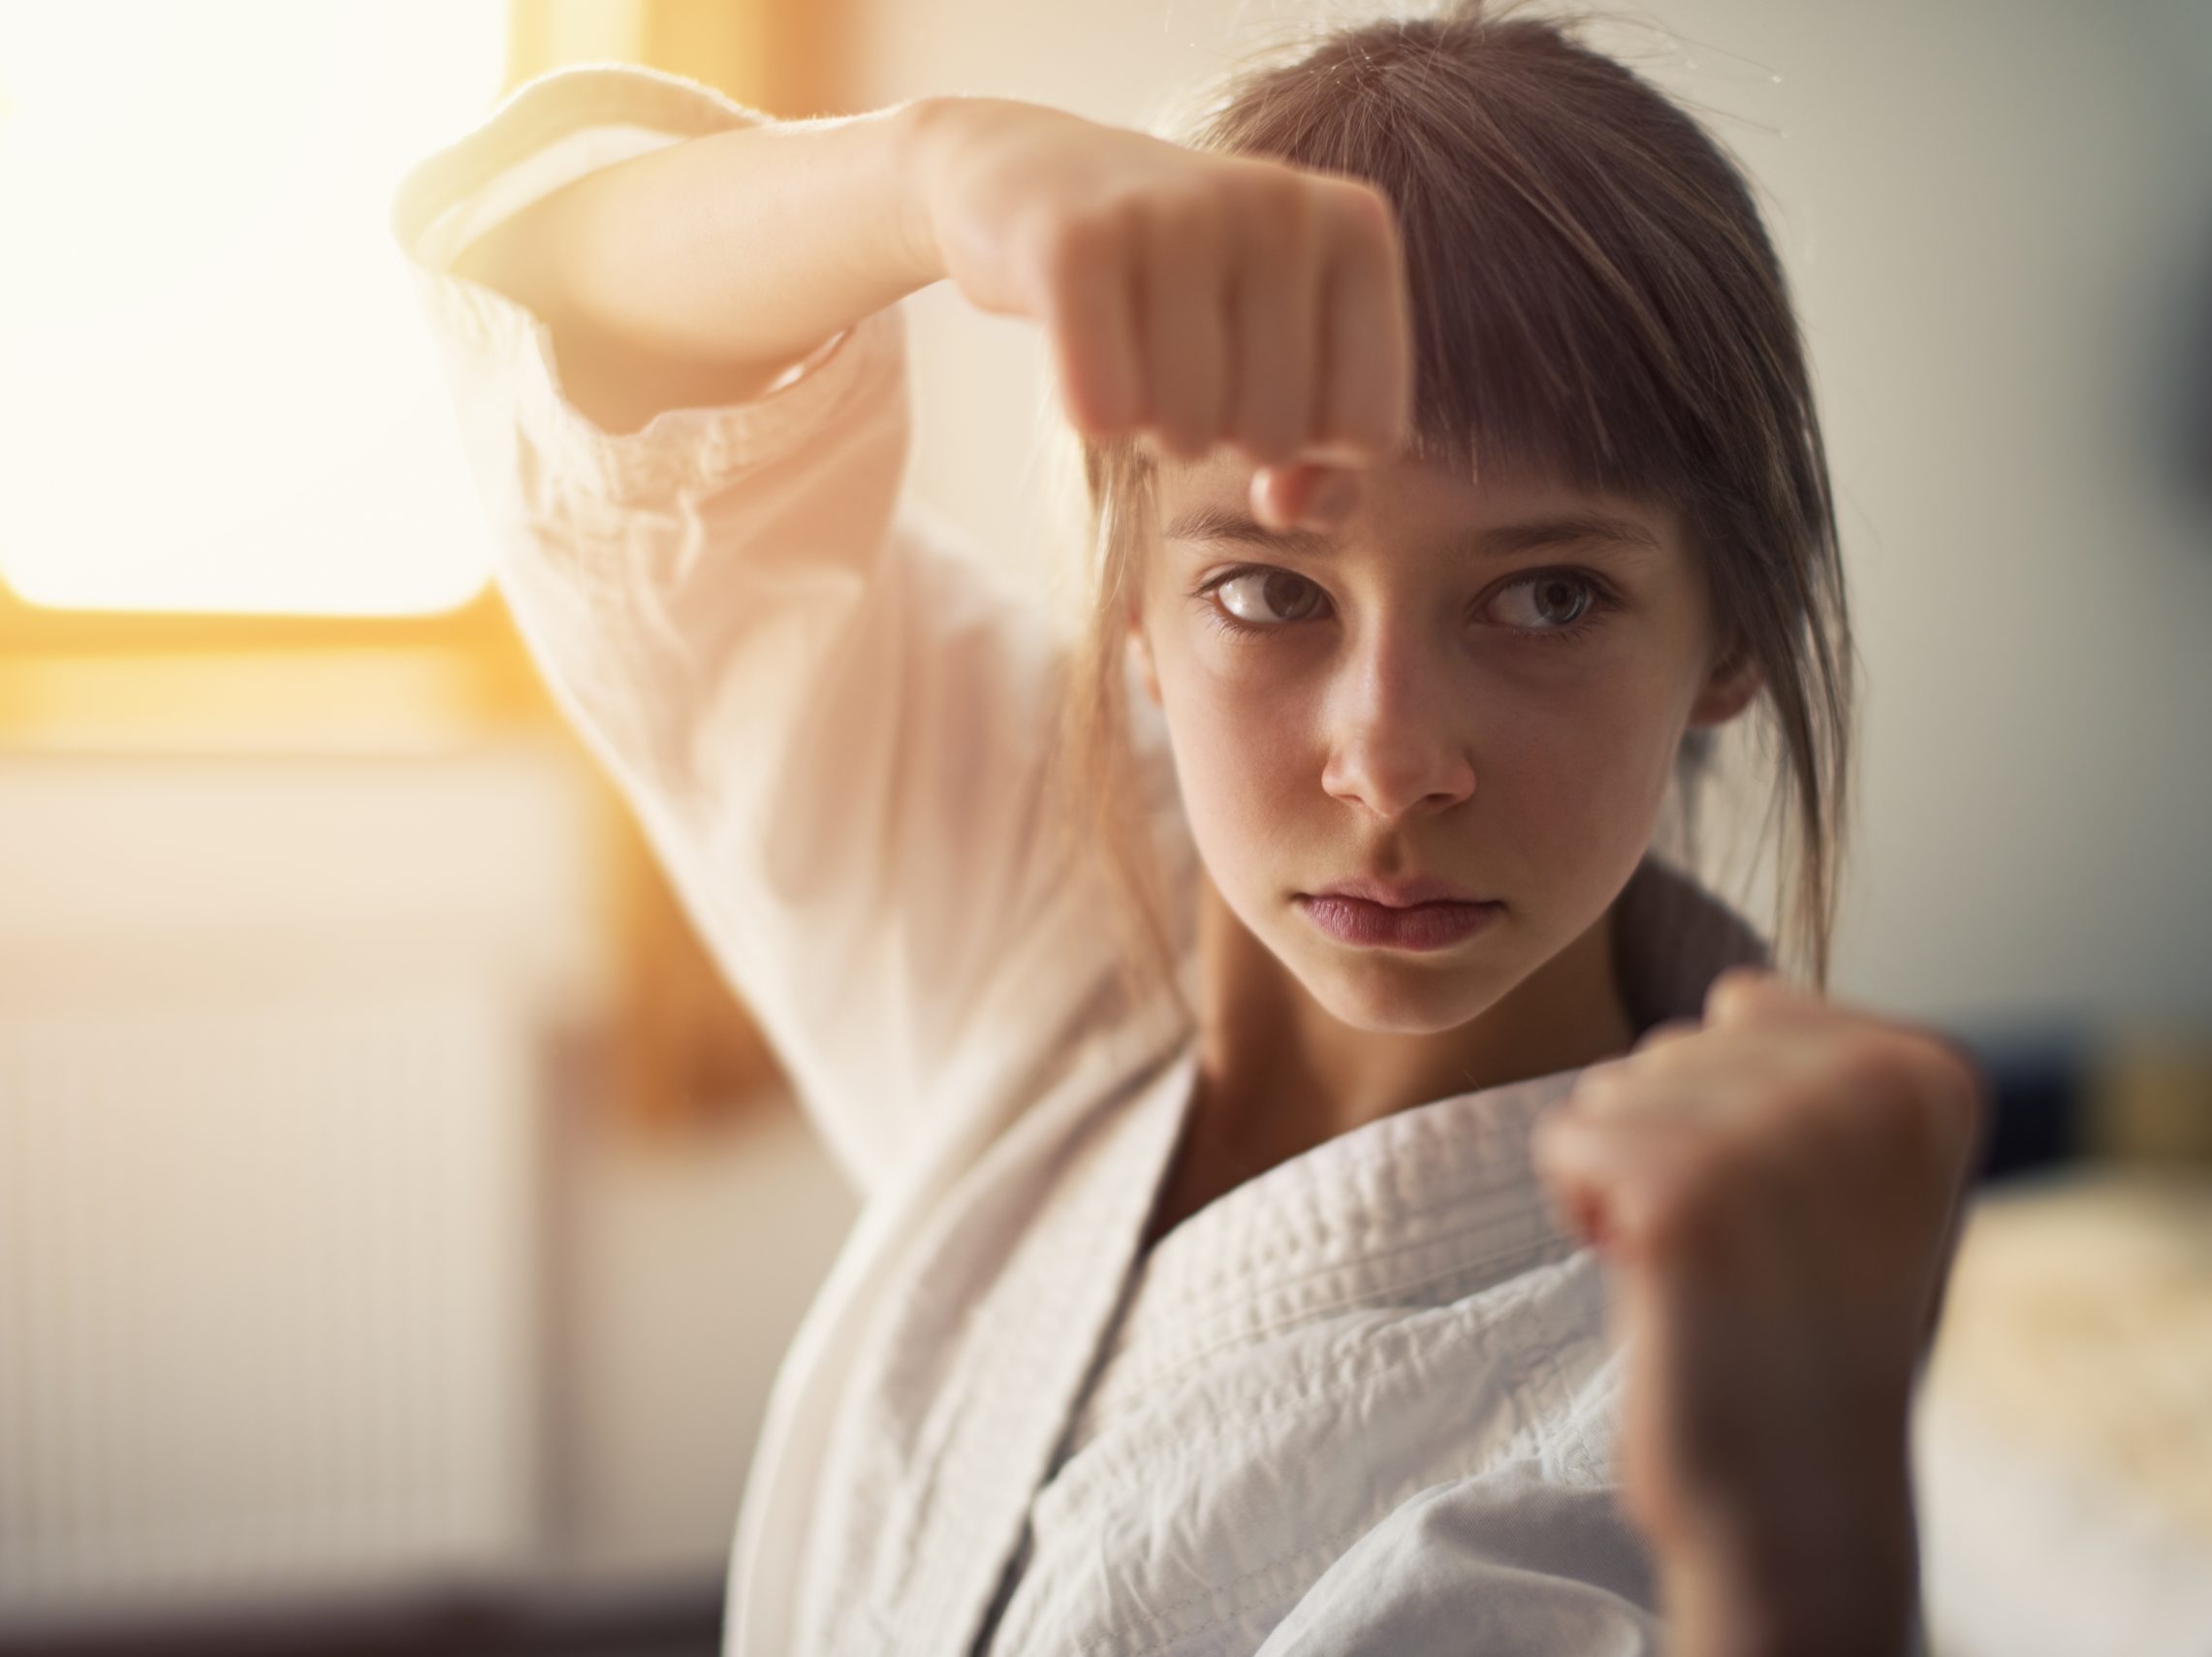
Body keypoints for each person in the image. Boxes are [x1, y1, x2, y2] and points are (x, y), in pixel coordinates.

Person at [391, 3, 1982, 1652]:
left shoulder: (1709, 1399)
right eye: (1269, 590)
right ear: (1133, 611)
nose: (1387, 757)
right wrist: (930, 176)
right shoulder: (1041, 884)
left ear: (1734, 627)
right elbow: (577, 346)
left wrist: (1798, 1566)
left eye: (1548, 595)